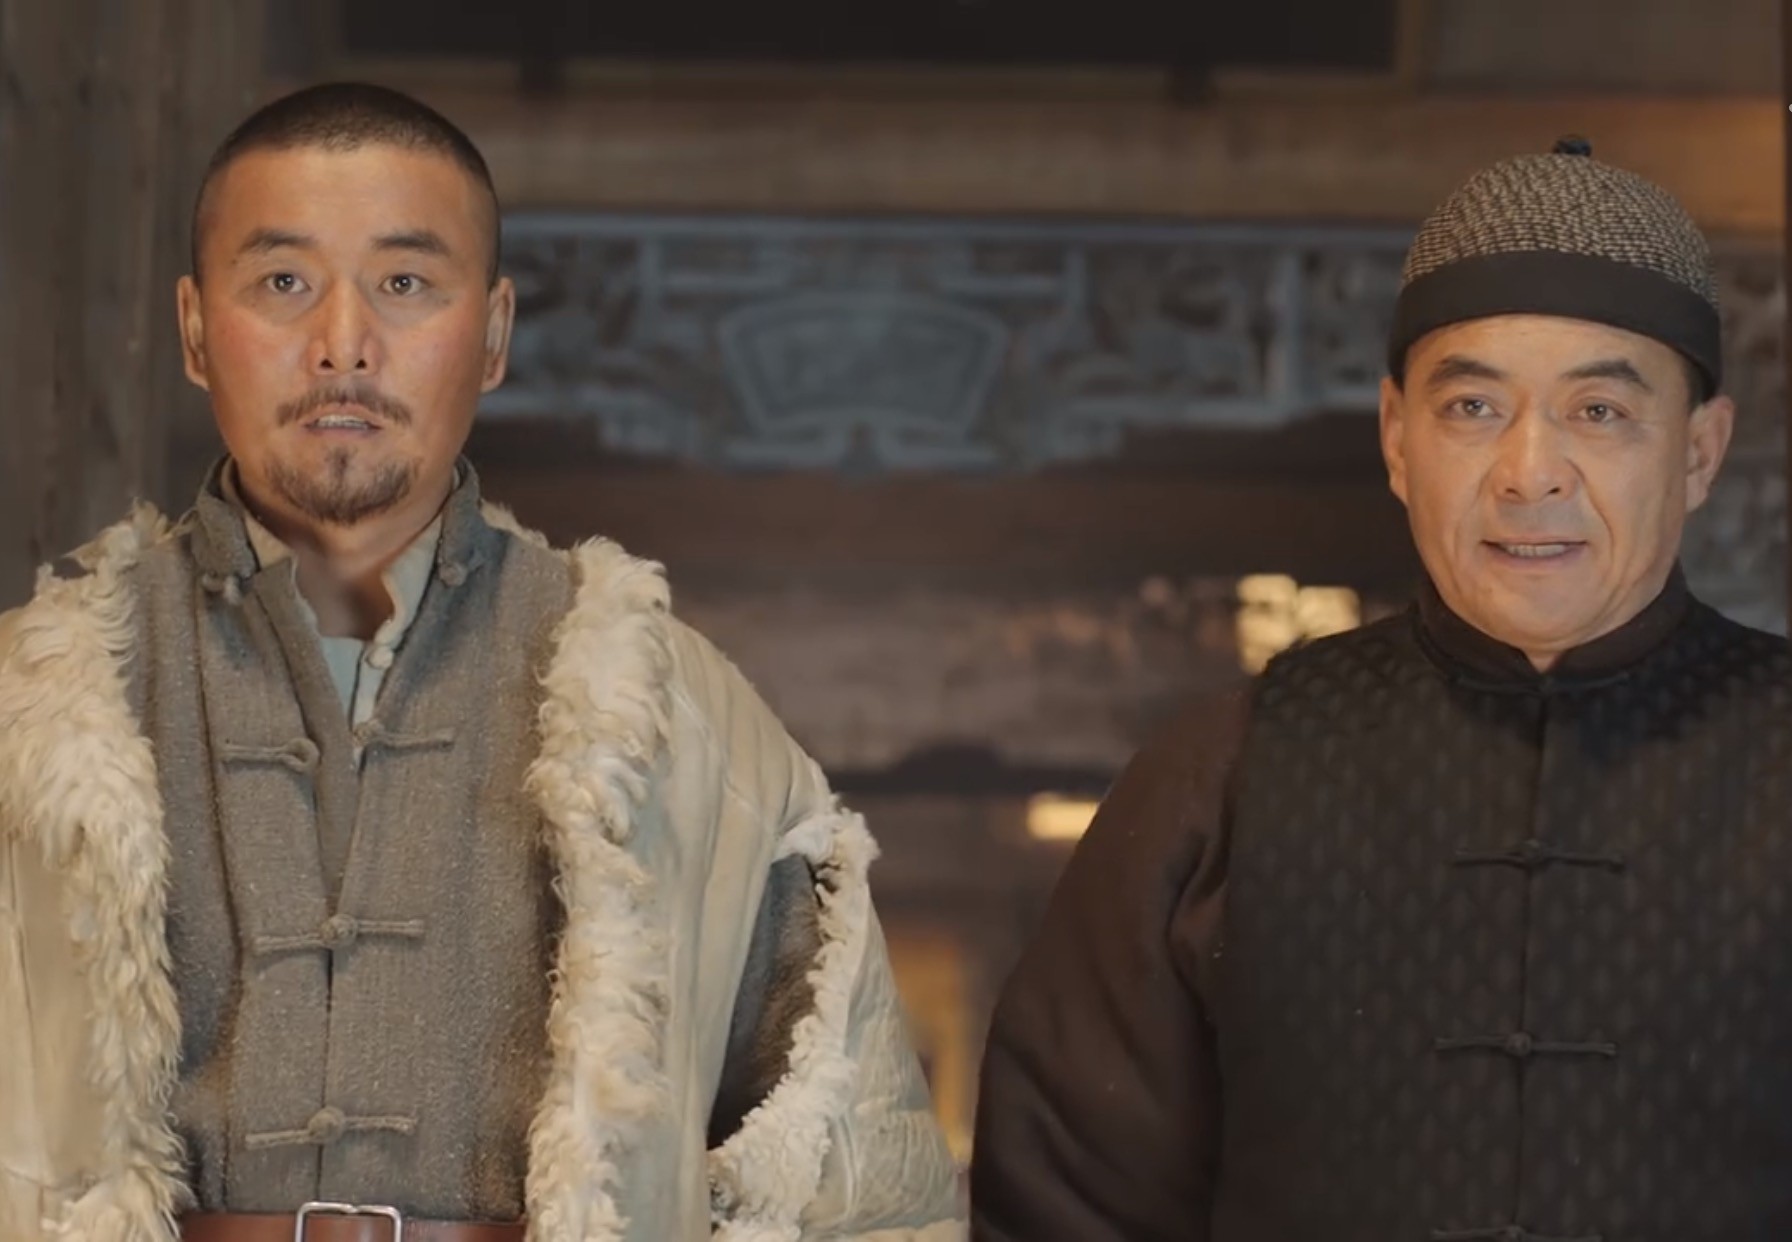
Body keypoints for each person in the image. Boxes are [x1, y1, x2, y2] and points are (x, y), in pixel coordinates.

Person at [0, 82, 962, 1242]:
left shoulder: (674, 716)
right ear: (197, 329)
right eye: (283, 282)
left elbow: (864, 1196)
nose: (343, 344)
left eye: (405, 284)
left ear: (494, 334)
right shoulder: (36, 703)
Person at [970, 137, 1792, 1242]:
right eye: (1473, 409)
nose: (1529, 473)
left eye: (1599, 411)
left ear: (1698, 451)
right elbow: (1066, 1208)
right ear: (1398, 439)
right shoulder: (1221, 774)